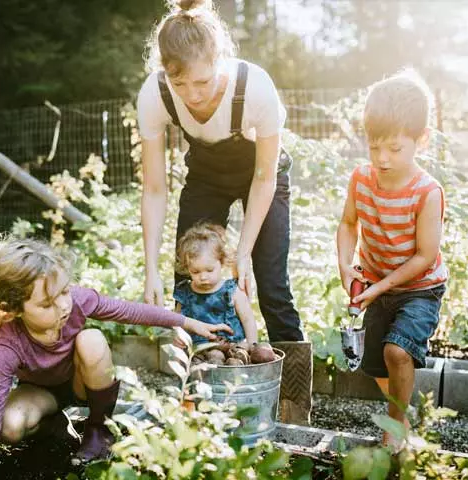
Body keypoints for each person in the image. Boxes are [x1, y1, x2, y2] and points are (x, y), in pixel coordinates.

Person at [0, 238, 231, 480]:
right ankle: (55, 427)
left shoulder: (76, 301)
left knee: (92, 339)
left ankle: (98, 431)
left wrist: (188, 323)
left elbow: (129, 311)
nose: (63, 305)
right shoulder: (8, 344)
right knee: (10, 427)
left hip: (82, 381)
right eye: (46, 304)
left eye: (64, 292)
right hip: (42, 393)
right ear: (14, 309)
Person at [137, 0, 303, 343]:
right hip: (206, 177)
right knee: (187, 276)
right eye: (179, 83)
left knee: (270, 283)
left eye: (202, 81)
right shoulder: (154, 94)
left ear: (219, 61)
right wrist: (150, 268)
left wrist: (242, 253)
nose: (192, 95)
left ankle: (294, 389)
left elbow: (264, 177)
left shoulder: (254, 87)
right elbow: (154, 189)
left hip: (261, 176)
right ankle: (198, 377)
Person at [335, 70, 448, 447]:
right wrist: (345, 264)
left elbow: (424, 257)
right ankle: (404, 418)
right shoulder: (361, 179)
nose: (382, 159)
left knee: (396, 351)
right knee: (374, 364)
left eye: (395, 149)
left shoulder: (427, 192)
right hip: (378, 284)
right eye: (373, 147)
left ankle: (394, 432)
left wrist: (379, 285)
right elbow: (349, 225)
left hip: (419, 287)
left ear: (421, 140)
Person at [173, 223, 258, 348]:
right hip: (197, 351)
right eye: (195, 272)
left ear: (222, 262)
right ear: (187, 268)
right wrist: (177, 334)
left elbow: (248, 320)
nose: (203, 277)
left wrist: (252, 346)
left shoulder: (232, 291)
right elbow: (177, 320)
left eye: (209, 270)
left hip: (231, 348)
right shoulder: (185, 293)